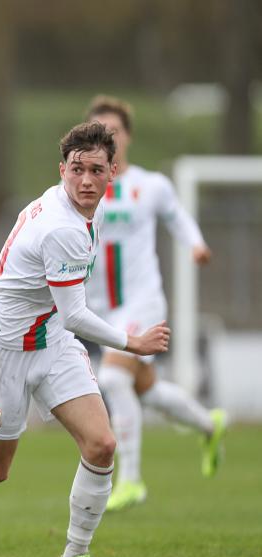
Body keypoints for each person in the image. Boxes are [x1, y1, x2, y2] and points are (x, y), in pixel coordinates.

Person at [0, 122, 170, 557]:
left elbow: (66, 312)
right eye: (77, 170)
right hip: (4, 350)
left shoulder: (90, 208)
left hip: (51, 342)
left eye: (96, 170)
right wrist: (132, 340)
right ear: (61, 170)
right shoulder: (61, 228)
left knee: (101, 444)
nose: (86, 180)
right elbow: (75, 313)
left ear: (113, 172)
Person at [83, 96, 226, 511]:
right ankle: (207, 424)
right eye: (98, 133)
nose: (107, 139)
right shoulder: (82, 187)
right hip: (101, 308)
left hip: (142, 302)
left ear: (127, 137)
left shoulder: (151, 186)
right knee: (145, 391)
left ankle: (130, 480)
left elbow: (178, 216)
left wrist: (196, 245)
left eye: (113, 132)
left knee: (112, 381)